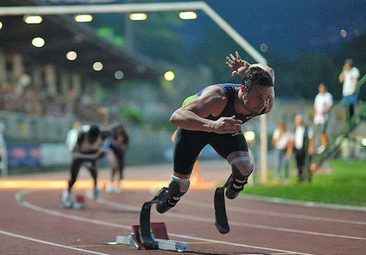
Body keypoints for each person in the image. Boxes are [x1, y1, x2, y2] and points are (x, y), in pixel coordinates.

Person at [154, 51, 275, 214]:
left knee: (245, 167)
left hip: (225, 127)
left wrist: (249, 70)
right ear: (244, 90)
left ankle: (236, 183)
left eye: (267, 97)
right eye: (259, 97)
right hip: (195, 127)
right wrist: (212, 125)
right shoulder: (218, 97)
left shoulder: (266, 104)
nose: (263, 103)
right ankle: (171, 195)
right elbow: (176, 117)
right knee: (180, 186)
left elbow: (269, 71)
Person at [61, 125, 106, 208]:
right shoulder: (81, 135)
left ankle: (95, 187)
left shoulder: (103, 135)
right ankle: (66, 194)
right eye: (91, 138)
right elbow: (75, 152)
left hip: (92, 154)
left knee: (94, 171)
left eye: (94, 138)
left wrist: (101, 152)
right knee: (73, 178)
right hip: (80, 155)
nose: (92, 140)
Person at [287, 114, 314, 182]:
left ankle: (308, 178)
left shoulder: (307, 129)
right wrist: (290, 151)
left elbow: (311, 139)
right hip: (298, 149)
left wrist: (311, 147)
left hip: (305, 149)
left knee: (307, 164)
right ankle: (300, 178)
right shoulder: (295, 129)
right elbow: (292, 141)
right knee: (299, 164)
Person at [105, 123, 129, 193]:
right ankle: (111, 184)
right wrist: (117, 143)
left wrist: (119, 143)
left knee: (121, 168)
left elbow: (124, 148)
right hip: (112, 152)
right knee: (114, 167)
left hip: (120, 154)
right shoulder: (113, 135)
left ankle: (119, 185)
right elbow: (111, 144)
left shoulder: (126, 137)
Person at [313, 83, 333, 153]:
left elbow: (330, 106)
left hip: (324, 117)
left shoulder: (328, 96)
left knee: (323, 131)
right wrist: (315, 116)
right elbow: (316, 107)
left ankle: (325, 145)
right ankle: (321, 144)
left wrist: (325, 111)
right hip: (318, 117)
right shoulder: (318, 97)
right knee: (319, 132)